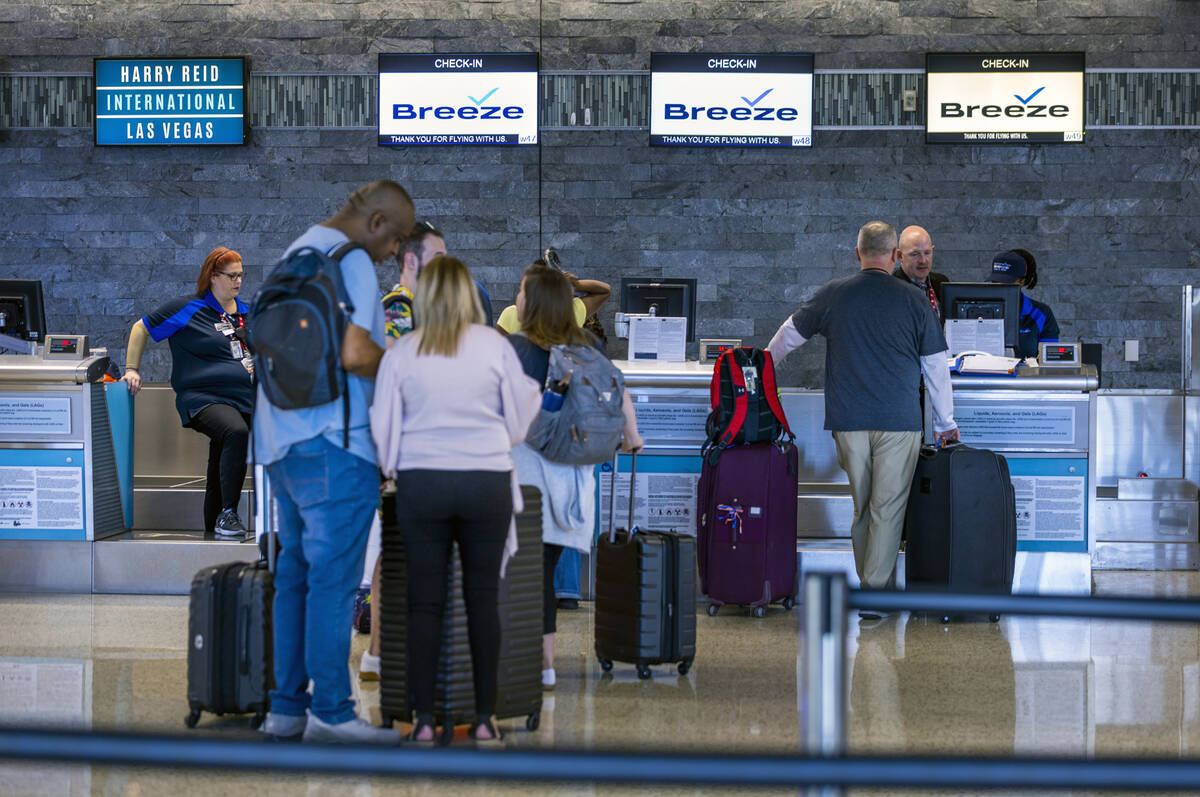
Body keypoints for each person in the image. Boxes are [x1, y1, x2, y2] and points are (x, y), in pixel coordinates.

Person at [256, 179, 414, 745]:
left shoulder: (297, 251)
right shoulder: (351, 262)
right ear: (375, 223)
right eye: (394, 239)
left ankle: (286, 709)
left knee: (294, 575)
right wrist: (405, 354)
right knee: (332, 582)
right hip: (337, 443)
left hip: (280, 441)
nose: (394, 252)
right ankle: (332, 711)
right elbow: (356, 352)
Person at [370, 255, 541, 745]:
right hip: (485, 481)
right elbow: (520, 415)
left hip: (422, 483)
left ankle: (424, 720)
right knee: (483, 601)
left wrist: (397, 466)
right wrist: (494, 440)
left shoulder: (404, 352)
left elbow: (384, 428)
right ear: (469, 296)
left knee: (424, 604)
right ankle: (485, 719)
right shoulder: (493, 344)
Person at [767, 221, 959, 617]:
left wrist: (761, 372)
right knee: (886, 509)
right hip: (899, 422)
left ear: (858, 254)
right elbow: (936, 368)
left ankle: (879, 588)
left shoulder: (833, 294)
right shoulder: (914, 300)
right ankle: (873, 597)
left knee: (863, 507)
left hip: (848, 421)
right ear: (894, 256)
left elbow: (787, 336)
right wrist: (944, 423)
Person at [506, 262, 644, 690]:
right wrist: (631, 436)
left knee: (516, 573)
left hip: (526, 480)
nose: (517, 298)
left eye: (522, 292)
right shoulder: (586, 345)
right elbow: (621, 395)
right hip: (574, 486)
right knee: (542, 572)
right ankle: (545, 663)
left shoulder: (516, 349)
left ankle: (520, 658)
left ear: (532, 302)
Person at [354, 218, 451, 682]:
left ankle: (392, 649)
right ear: (411, 261)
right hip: (403, 449)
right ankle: (377, 651)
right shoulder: (398, 307)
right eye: (437, 258)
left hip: (427, 448)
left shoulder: (430, 310)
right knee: (396, 549)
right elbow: (397, 377)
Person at [120, 246, 254, 538]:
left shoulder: (246, 314)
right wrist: (132, 368)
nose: (238, 282)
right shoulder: (188, 308)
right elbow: (141, 327)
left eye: (241, 275)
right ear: (213, 277)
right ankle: (229, 514)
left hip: (245, 399)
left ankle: (215, 526)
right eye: (231, 276)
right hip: (204, 398)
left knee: (226, 449)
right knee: (235, 432)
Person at [495, 253, 610, 335]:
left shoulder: (511, 314)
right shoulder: (571, 312)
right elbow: (604, 291)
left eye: (523, 290)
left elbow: (497, 354)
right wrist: (577, 285)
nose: (518, 296)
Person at [988, 248, 1060, 359]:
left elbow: (1050, 359)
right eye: (995, 281)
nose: (999, 286)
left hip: (1027, 375)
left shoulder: (1041, 314)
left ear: (1022, 281)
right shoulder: (976, 309)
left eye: (1006, 282)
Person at [892, 225, 948, 321]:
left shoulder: (942, 283)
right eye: (915, 254)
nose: (923, 261)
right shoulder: (891, 289)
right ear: (900, 256)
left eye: (927, 253)